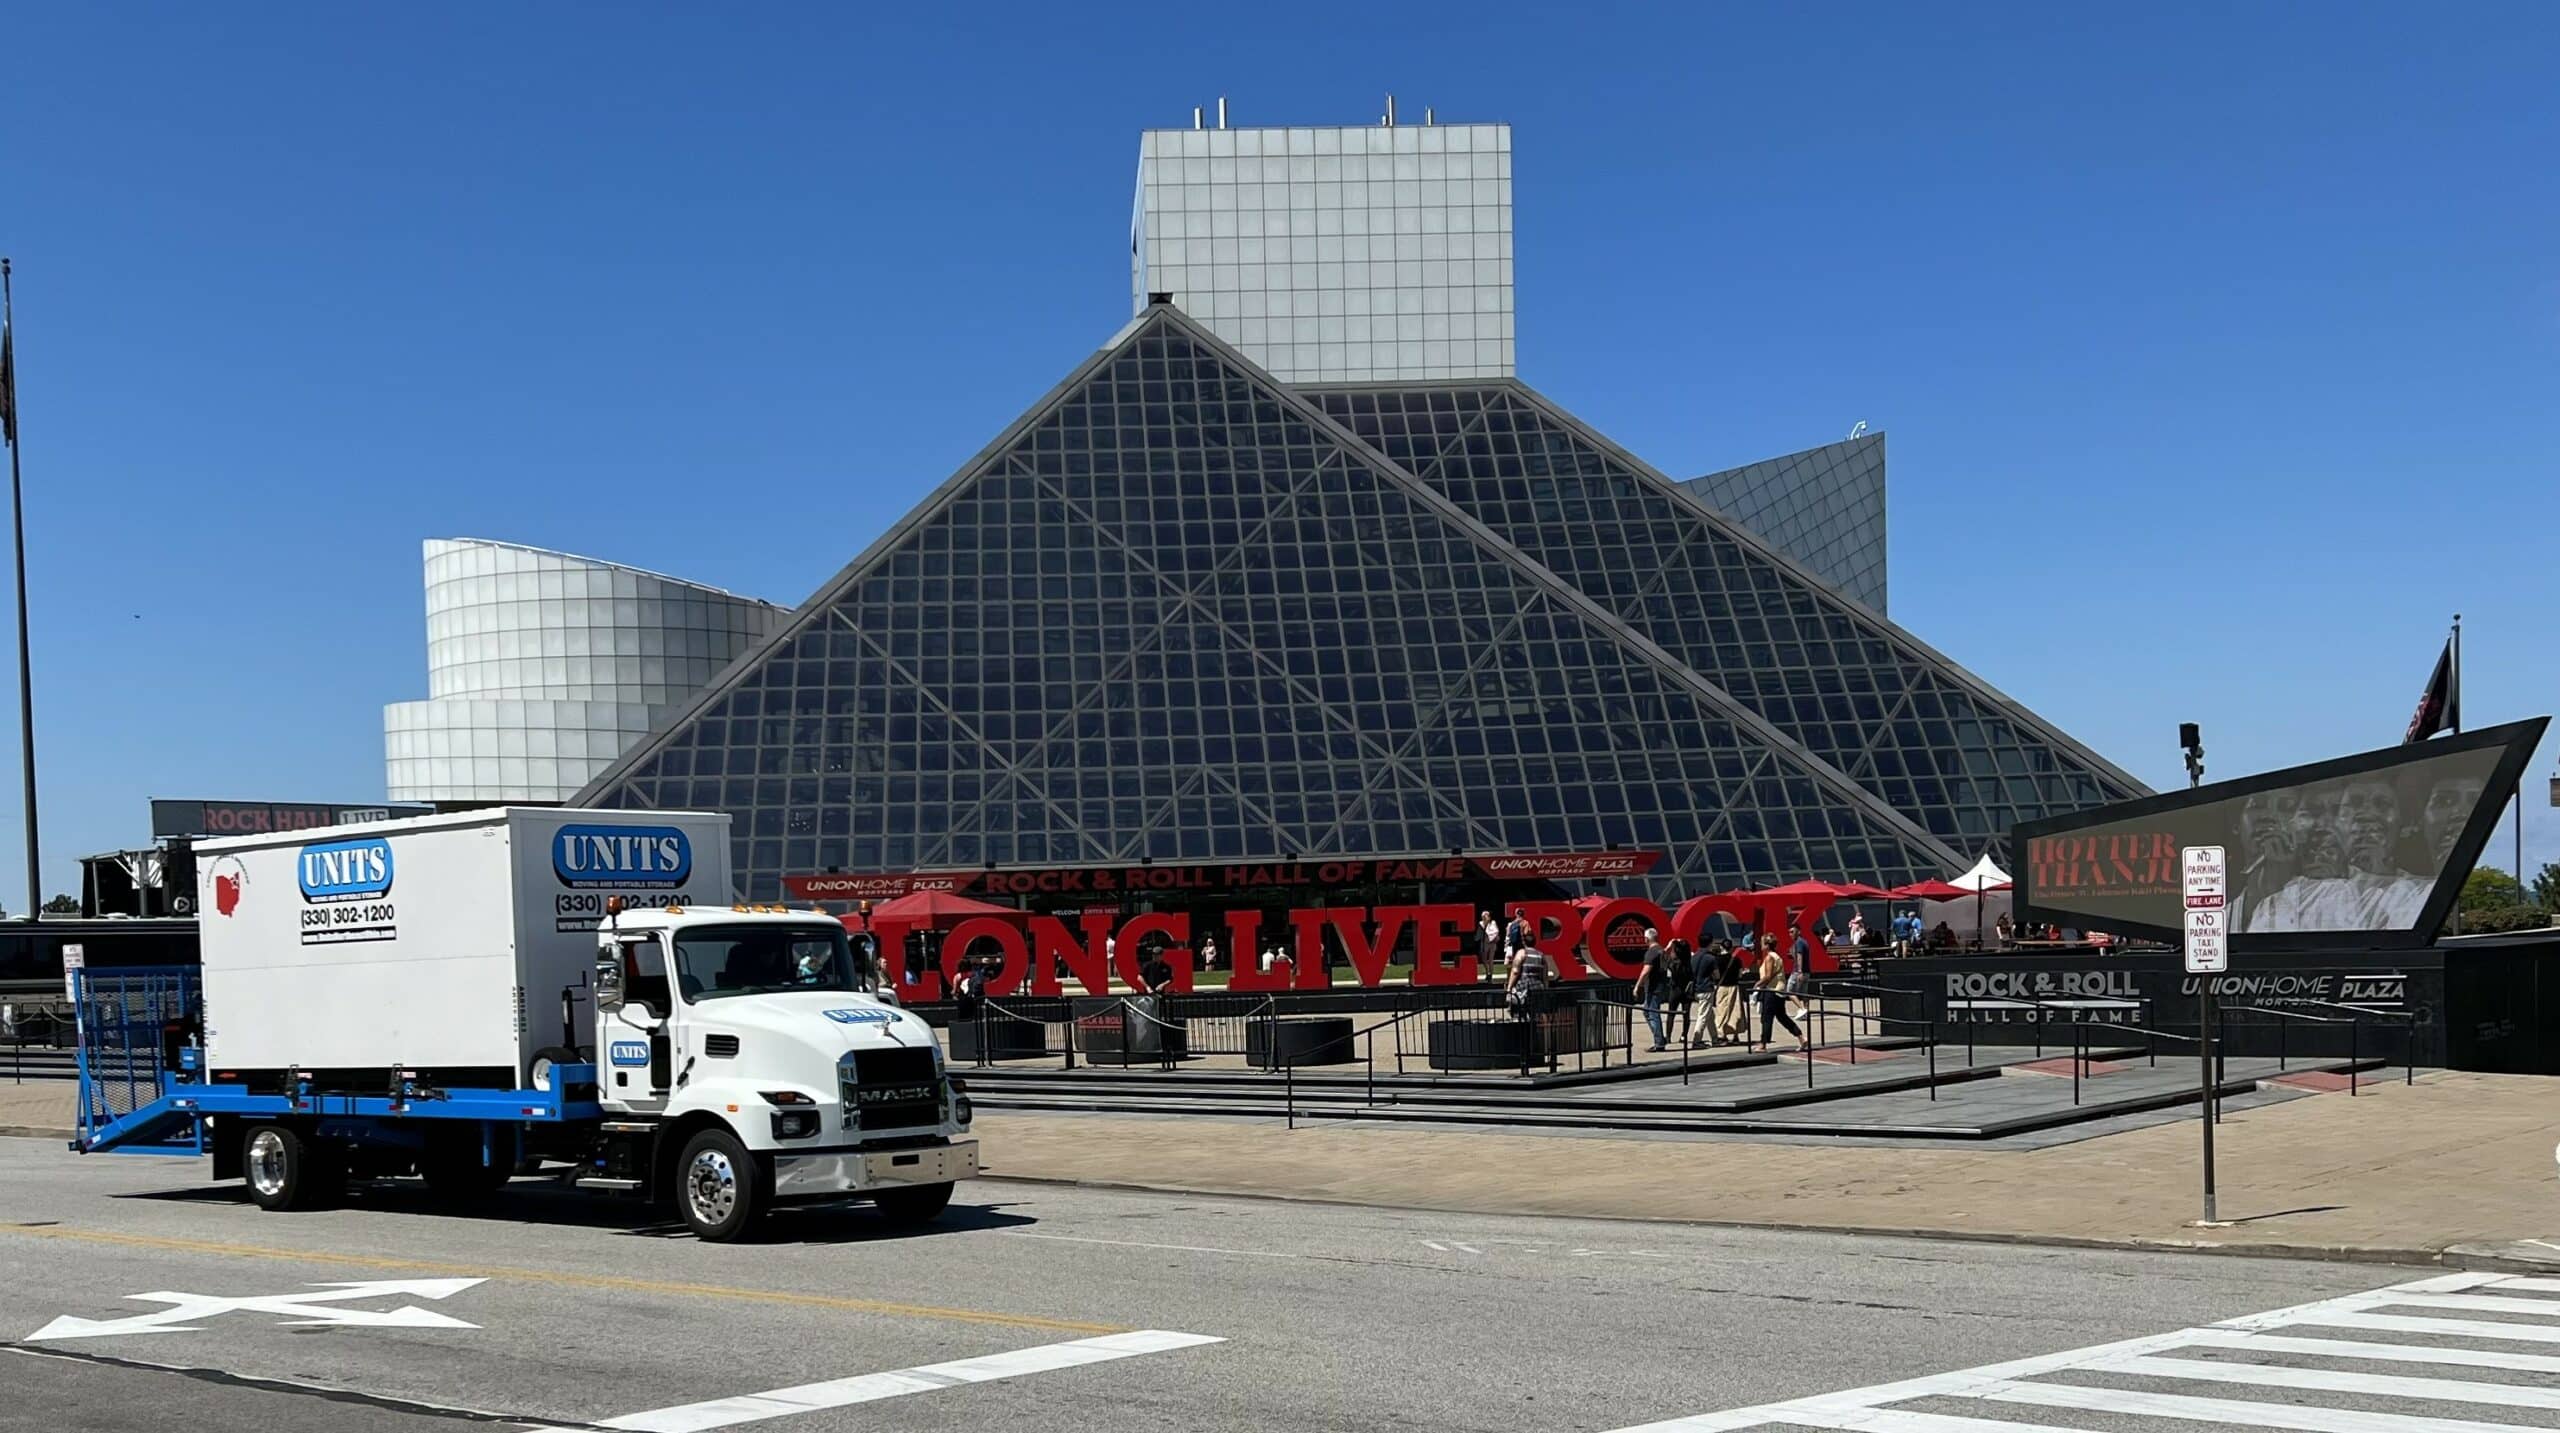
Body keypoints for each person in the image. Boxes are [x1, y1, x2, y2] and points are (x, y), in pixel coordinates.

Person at [1754, 936, 1808, 1052]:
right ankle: (1801, 1037)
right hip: (1779, 990)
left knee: (1766, 1017)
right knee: (1782, 1017)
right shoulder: (1777, 957)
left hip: (1771, 990)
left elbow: (1768, 976)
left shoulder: (1769, 957)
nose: (1760, 945)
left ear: (1767, 945)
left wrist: (1757, 985)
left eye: (1762, 943)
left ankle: (1763, 1044)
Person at [1634, 928, 1674, 1051]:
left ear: (1646, 939)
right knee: (1647, 1012)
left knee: (1653, 1013)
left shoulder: (1651, 952)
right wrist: (1670, 945)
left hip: (1653, 987)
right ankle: (1660, 1038)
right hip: (1661, 985)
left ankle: (1659, 1043)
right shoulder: (1661, 950)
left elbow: (1645, 971)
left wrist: (1637, 986)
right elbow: (1665, 955)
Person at [1505, 938, 1555, 1019]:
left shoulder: (1522, 953)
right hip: (1538, 990)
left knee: (1520, 1016)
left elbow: (1515, 972)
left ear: (1524, 942)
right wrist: (1545, 991)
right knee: (1536, 1016)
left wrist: (1509, 988)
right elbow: (1545, 977)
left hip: (1523, 990)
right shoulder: (1541, 955)